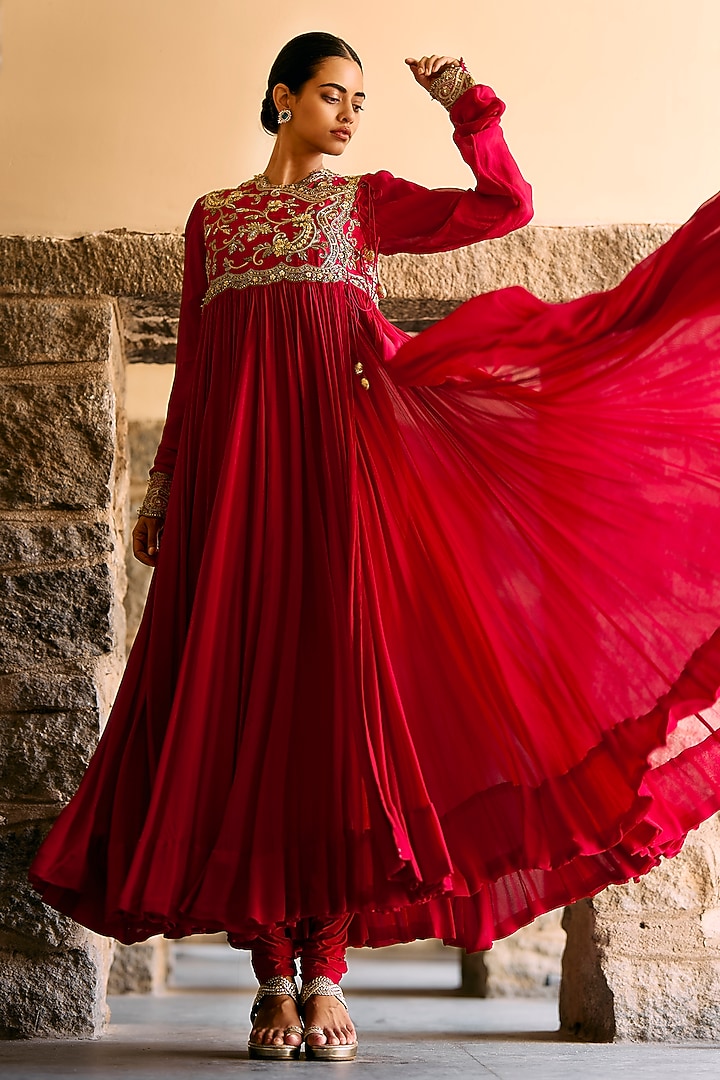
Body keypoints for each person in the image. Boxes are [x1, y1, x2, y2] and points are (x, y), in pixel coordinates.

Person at [28, 29, 720, 1064]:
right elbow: (201, 362)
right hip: (234, 496)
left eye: (359, 99)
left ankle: (329, 970)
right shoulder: (214, 221)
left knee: (340, 716)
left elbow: (505, 209)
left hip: (344, 486)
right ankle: (270, 977)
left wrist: (466, 108)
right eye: (331, 95)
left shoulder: (366, 205)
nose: (350, 114)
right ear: (282, 99)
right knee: (237, 706)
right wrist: (170, 483)